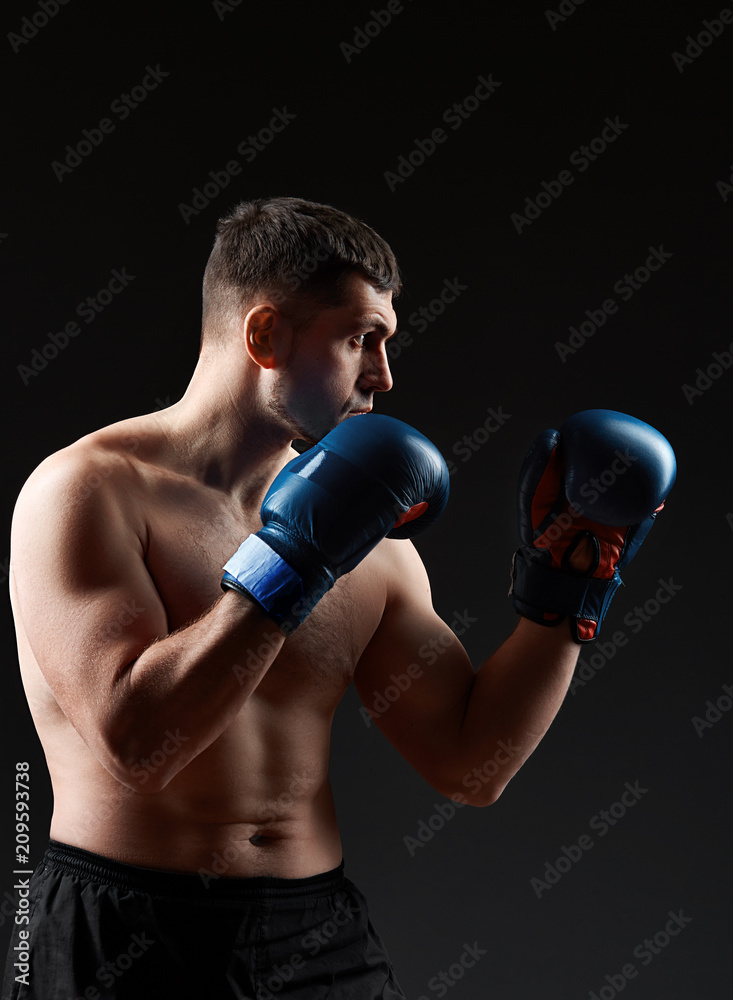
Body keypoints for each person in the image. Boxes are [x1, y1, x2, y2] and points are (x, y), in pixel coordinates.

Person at [2, 197, 673, 1000]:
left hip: (314, 934)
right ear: (264, 335)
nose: (383, 376)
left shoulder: (375, 536)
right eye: (362, 339)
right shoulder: (88, 491)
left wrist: (571, 582)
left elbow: (469, 763)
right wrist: (295, 558)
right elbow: (139, 746)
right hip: (123, 937)